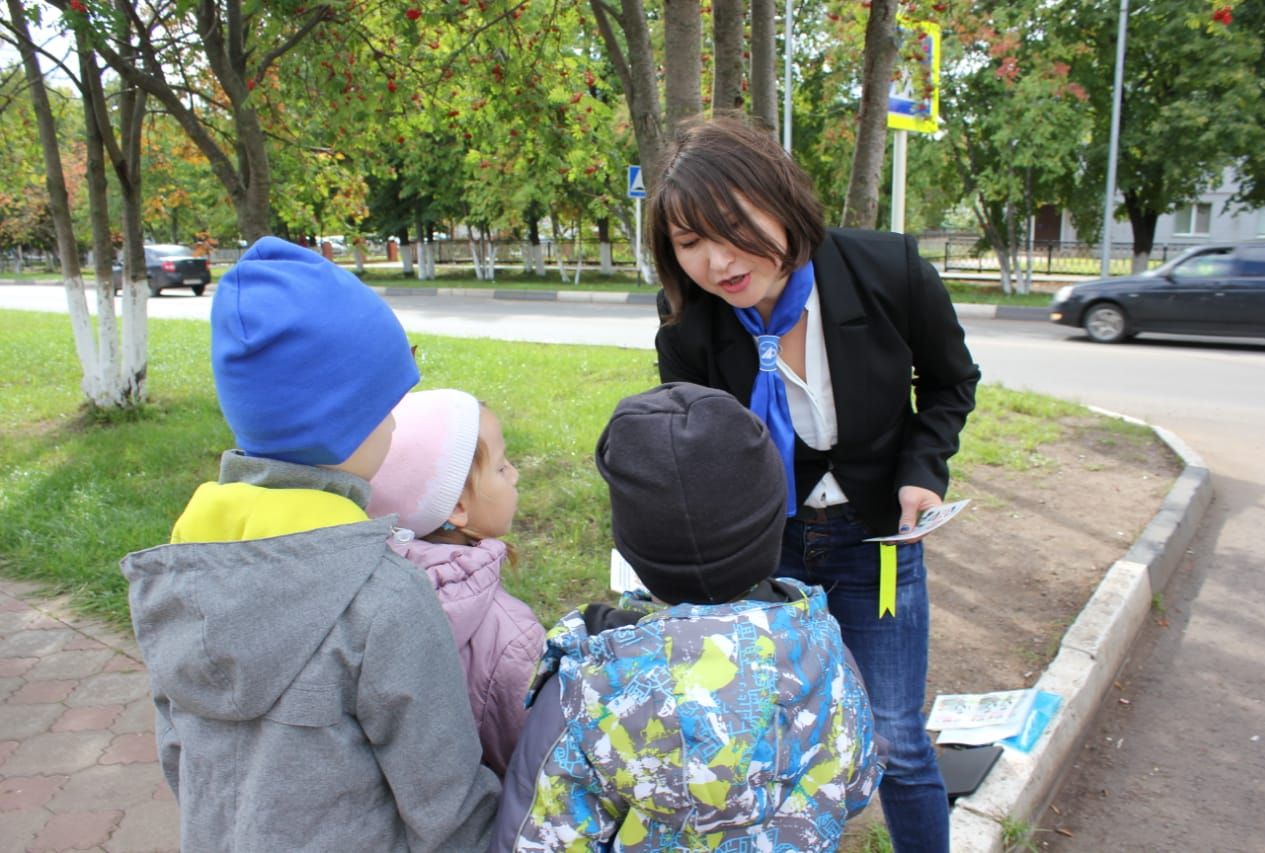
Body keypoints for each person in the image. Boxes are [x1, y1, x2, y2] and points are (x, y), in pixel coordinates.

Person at [649, 116, 980, 852]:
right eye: (689, 241)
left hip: (878, 543)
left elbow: (953, 382)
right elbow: (693, 449)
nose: (718, 260)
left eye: (733, 226)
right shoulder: (688, 329)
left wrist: (922, 474)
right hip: (765, 551)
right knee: (770, 744)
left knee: (894, 734)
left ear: (781, 198)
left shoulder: (887, 270)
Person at [120, 237, 499, 851]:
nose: (398, 422)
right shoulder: (383, 596)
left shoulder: (177, 572)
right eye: (388, 405)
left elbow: (178, 759)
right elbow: (447, 805)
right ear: (346, 417)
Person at [490, 382, 882, 853]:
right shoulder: (826, 650)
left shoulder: (586, 692)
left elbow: (537, 840)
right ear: (772, 521)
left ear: (633, 548)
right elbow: (856, 785)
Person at [367, 389, 546, 777]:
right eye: (501, 467)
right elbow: (533, 765)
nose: (514, 473)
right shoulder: (513, 635)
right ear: (457, 507)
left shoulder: (361, 584)